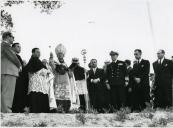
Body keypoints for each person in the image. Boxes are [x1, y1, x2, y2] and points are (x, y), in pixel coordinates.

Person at [49, 44, 74, 113]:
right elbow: (52, 66)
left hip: (66, 82)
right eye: (59, 54)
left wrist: (70, 71)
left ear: (63, 55)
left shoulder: (66, 64)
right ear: (57, 55)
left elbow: (70, 75)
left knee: (66, 96)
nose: (60, 55)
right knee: (58, 96)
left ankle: (66, 109)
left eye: (61, 54)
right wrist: (51, 58)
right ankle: (58, 109)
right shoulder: (55, 62)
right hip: (58, 81)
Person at [1, 32, 21, 113]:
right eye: (12, 37)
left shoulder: (3, 45)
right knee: (8, 93)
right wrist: (19, 65)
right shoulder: (5, 45)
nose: (13, 39)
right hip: (9, 72)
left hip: (5, 71)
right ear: (8, 37)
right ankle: (6, 110)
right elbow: (12, 56)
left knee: (4, 92)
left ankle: (3, 109)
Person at [26, 48, 50, 113]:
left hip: (39, 82)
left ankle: (39, 109)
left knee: (38, 94)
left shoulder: (37, 60)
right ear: (33, 53)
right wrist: (47, 71)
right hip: (36, 81)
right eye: (37, 52)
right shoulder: (34, 60)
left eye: (39, 52)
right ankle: (38, 109)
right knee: (37, 94)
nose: (39, 53)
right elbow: (41, 70)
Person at [11, 43, 26, 112]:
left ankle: (19, 108)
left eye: (20, 47)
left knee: (19, 93)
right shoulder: (11, 55)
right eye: (18, 47)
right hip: (13, 76)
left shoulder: (18, 56)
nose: (19, 48)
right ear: (13, 47)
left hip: (19, 78)